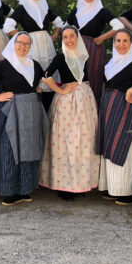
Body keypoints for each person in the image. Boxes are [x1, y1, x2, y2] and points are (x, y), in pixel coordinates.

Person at [0, 32, 49, 206]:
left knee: (28, 150)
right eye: (19, 43)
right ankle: (9, 192)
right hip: (13, 110)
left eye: (27, 44)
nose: (23, 46)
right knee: (10, 150)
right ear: (13, 43)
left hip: (31, 111)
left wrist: (38, 90)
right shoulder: (4, 65)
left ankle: (24, 189)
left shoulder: (35, 64)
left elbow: (42, 81)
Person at [38, 26, 100, 201]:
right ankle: (63, 186)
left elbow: (85, 77)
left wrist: (85, 86)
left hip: (85, 102)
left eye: (72, 36)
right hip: (66, 103)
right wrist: (61, 90)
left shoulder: (84, 56)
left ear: (77, 38)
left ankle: (79, 182)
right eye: (65, 37)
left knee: (83, 141)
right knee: (64, 141)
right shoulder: (61, 57)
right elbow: (46, 76)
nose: (69, 40)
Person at [97, 29, 132, 205]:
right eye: (118, 41)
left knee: (126, 148)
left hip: (128, 109)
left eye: (125, 41)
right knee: (110, 146)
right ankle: (112, 187)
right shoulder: (110, 64)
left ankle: (127, 191)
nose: (121, 45)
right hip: (110, 108)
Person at [3, 0, 64, 110]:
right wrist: (23, 38)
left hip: (47, 45)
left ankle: (50, 108)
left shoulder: (45, 8)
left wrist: (55, 34)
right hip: (31, 46)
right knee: (35, 74)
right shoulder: (22, 8)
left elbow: (59, 22)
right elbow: (8, 26)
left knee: (49, 72)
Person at [66, 0, 124, 104]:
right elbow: (65, 28)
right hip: (76, 49)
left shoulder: (102, 11)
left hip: (94, 50)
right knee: (74, 79)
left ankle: (92, 112)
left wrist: (102, 38)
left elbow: (119, 25)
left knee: (93, 80)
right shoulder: (76, 11)